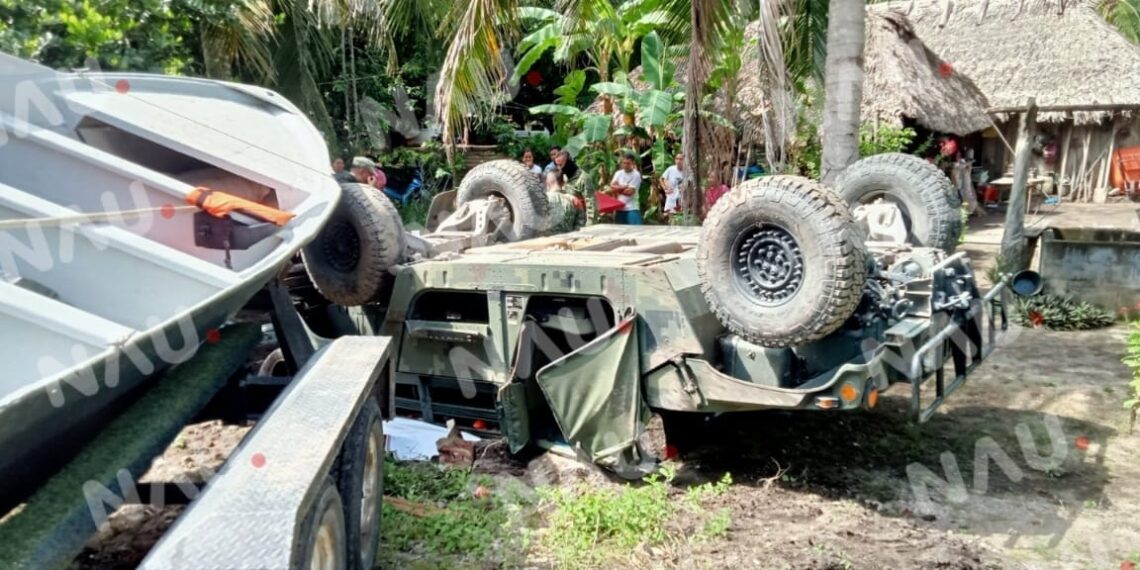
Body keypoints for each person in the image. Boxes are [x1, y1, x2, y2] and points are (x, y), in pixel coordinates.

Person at [608, 152, 643, 225]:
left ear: (633, 163)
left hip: (632, 208)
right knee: (619, 232)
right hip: (619, 207)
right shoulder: (618, 173)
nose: (625, 165)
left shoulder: (636, 175)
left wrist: (616, 189)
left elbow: (630, 193)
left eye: (628, 163)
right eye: (624, 163)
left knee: (635, 232)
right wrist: (623, 187)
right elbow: (611, 185)